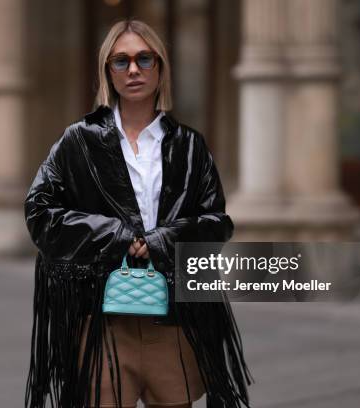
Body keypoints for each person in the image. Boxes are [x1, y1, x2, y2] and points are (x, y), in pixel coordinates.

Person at [24, 19, 252, 408]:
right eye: (121, 61)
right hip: (102, 324)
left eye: (145, 59)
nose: (133, 70)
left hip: (174, 323)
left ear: (160, 68)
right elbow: (39, 212)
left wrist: (161, 241)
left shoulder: (189, 146)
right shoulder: (78, 140)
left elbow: (217, 222)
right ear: (107, 71)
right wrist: (116, 236)